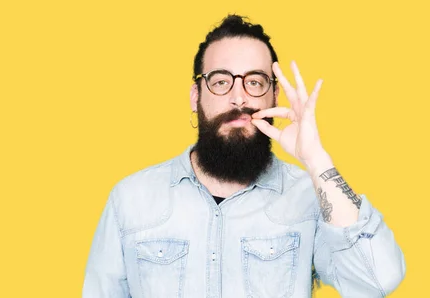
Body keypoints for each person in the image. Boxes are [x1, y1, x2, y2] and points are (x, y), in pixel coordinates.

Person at [82, 14, 405, 298]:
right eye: (221, 82)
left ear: (274, 95)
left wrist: (316, 159)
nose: (239, 97)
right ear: (196, 96)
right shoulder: (131, 198)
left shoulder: (309, 197)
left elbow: (378, 281)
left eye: (254, 82)